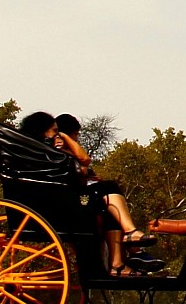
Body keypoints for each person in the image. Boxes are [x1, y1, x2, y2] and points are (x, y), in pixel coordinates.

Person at [24, 112, 157, 276]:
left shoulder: (45, 152)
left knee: (107, 208)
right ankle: (131, 238)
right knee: (108, 187)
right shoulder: (47, 152)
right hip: (58, 207)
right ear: (42, 132)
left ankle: (119, 263)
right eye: (54, 131)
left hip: (63, 200)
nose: (57, 135)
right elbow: (85, 161)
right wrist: (66, 138)